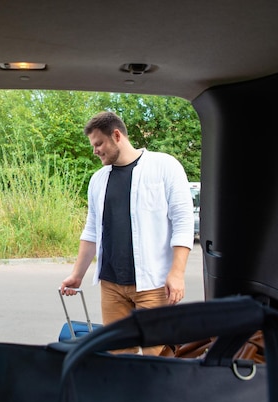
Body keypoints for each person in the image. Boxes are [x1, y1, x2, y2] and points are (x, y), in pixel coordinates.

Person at [60, 111, 194, 355]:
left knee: (157, 358)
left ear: (117, 135)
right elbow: (91, 229)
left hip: (153, 285)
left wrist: (177, 273)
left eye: (98, 144)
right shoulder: (98, 180)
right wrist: (76, 275)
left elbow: (183, 221)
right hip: (111, 285)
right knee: (118, 358)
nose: (95, 150)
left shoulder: (164, 166)